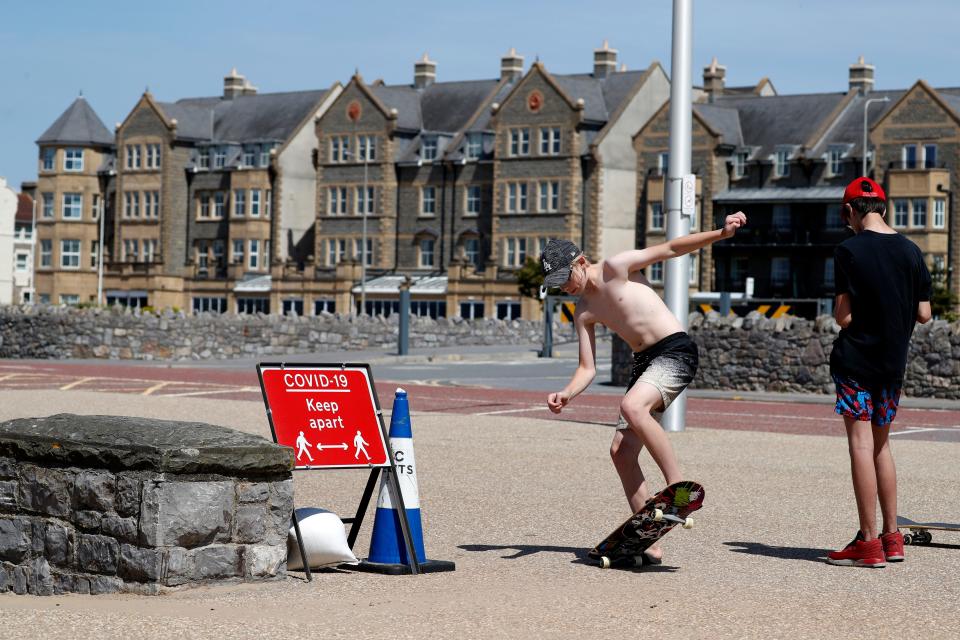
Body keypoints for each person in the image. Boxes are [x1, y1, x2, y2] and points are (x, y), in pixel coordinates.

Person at [541, 211, 747, 562]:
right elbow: (586, 368)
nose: (566, 287)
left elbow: (672, 248)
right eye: (558, 284)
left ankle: (679, 487)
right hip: (644, 365)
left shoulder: (616, 267)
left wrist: (721, 234)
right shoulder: (584, 311)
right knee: (620, 453)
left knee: (632, 408)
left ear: (581, 261)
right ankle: (648, 540)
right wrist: (567, 393)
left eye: (567, 278)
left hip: (674, 351)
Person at [826, 177, 932, 568]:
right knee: (882, 446)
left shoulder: (848, 250)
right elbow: (924, 313)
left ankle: (867, 542)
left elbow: (844, 316)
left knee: (859, 446)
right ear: (884, 208)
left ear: (849, 211)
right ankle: (892, 537)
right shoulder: (911, 250)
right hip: (892, 364)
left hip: (856, 362)